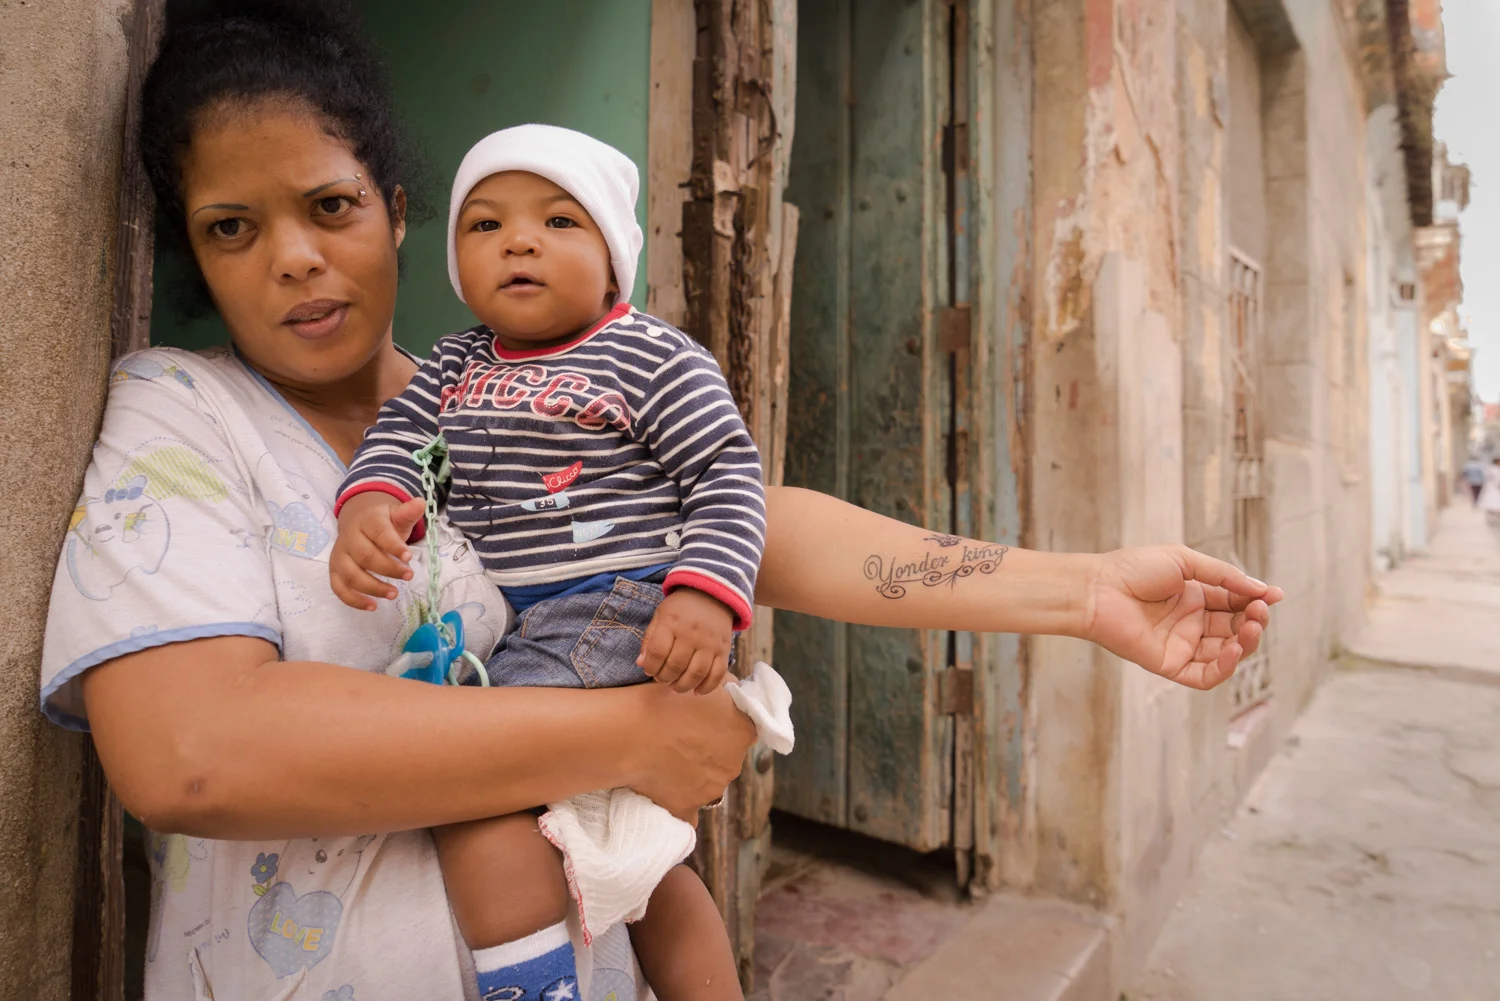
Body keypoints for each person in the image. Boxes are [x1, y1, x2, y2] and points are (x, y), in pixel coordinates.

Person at [37, 2, 1281, 999]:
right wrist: (631, 737)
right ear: (188, 252)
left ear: (401, 214)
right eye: (231, 227)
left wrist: (1079, 587)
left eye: (330, 206)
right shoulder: (183, 413)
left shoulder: (485, 403)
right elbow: (192, 752)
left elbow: (745, 512)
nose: (294, 257)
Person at [331, 124, 767, 1001]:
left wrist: (706, 596)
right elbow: (399, 438)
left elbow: (726, 470)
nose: (519, 241)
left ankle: (536, 986)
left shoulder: (650, 355)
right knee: (631, 857)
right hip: (522, 625)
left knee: (472, 795)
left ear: (614, 262)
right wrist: (372, 506)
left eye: (560, 222)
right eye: (485, 226)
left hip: (613, 609)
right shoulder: (453, 363)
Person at [1480, 457, 1500, 526]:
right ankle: (1492, 514)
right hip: (1493, 487)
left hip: (1493, 487)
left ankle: (1493, 514)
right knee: (1493, 500)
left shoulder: (1491, 469)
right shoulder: (1494, 469)